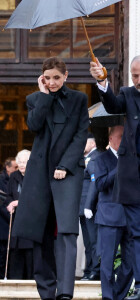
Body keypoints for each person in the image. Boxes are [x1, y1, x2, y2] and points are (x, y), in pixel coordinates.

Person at [12, 56, 89, 300]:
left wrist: (65, 165)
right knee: (39, 231)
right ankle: (46, 290)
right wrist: (43, 94)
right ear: (42, 78)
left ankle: (65, 292)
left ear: (66, 76)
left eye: (57, 77)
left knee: (66, 232)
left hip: (69, 172)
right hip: (40, 173)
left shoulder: (79, 99)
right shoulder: (35, 99)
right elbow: (33, 125)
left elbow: (80, 135)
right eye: (48, 78)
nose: (53, 82)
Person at [90, 55, 140, 300]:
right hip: (118, 203)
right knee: (111, 259)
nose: (136, 79)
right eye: (133, 74)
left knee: (132, 254)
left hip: (129, 203)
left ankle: (126, 292)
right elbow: (112, 104)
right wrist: (102, 81)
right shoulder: (128, 94)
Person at [86, 126, 133, 300]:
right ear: (111, 139)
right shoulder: (100, 159)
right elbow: (100, 185)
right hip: (109, 218)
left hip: (131, 216)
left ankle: (118, 295)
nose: (124, 140)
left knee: (130, 263)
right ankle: (108, 296)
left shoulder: (133, 158)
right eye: (121, 136)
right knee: (107, 262)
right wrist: (119, 168)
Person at [5, 149, 33, 279]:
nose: (22, 164)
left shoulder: (35, 175)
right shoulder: (13, 176)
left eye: (25, 162)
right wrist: (10, 204)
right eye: (20, 162)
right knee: (16, 251)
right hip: (16, 220)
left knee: (29, 252)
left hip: (31, 220)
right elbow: (9, 195)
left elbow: (36, 197)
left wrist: (18, 202)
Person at [0, 157, 17, 279]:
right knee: (1, 255)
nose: (16, 169)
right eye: (15, 167)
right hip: (1, 225)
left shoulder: (12, 180)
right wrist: (12, 216)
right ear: (7, 167)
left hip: (9, 224)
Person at [79, 133, 100, 281]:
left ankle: (95, 270)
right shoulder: (86, 158)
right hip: (82, 207)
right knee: (87, 242)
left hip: (90, 207)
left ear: (92, 143)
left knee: (93, 241)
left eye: (84, 142)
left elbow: (94, 182)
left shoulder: (95, 156)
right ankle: (89, 269)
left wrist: (89, 206)